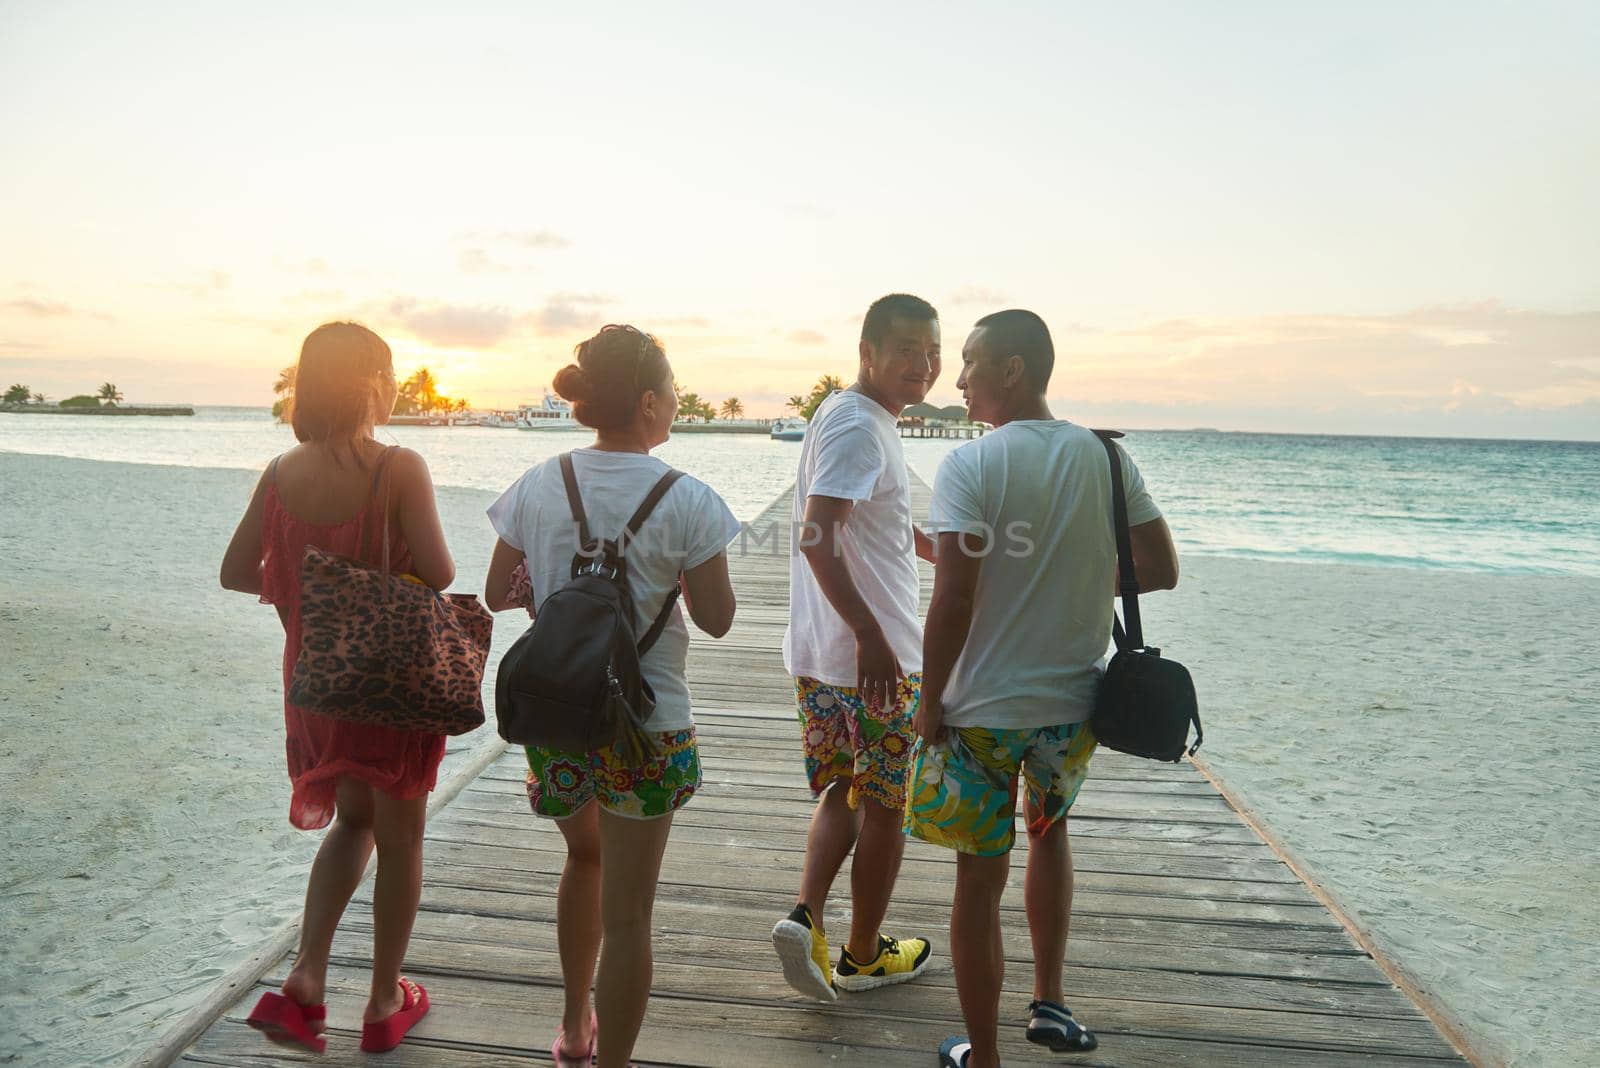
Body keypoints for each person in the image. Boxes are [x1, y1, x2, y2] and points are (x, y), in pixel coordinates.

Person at [907, 310, 1179, 1068]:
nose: (957, 380)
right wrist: (1070, 574)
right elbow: (1159, 569)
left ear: (1013, 369)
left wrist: (928, 701)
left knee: (977, 877)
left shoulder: (971, 466)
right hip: (1072, 710)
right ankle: (1051, 1004)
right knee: (1049, 835)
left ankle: (984, 1057)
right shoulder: (1105, 457)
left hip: (981, 712)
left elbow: (955, 599)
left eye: (968, 362)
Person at [483, 324, 739, 1068]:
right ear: (651, 402)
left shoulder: (538, 482)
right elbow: (720, 622)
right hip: (647, 726)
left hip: (559, 717)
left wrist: (564, 584)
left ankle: (572, 1030)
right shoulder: (690, 499)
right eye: (676, 393)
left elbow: (499, 591)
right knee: (629, 915)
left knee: (582, 864)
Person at [220, 322, 454, 1054]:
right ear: (375, 385)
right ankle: (385, 998)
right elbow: (441, 573)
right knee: (401, 835)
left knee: (352, 823)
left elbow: (234, 572)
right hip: (389, 680)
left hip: (313, 683)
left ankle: (307, 977)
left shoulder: (280, 473)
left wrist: (304, 587)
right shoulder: (399, 466)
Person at [771, 293, 940, 1001]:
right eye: (903, 349)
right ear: (865, 352)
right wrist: (872, 636)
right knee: (887, 804)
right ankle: (864, 955)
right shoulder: (862, 428)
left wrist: (944, 552)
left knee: (847, 786)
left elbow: (871, 521)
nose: (921, 365)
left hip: (821, 653)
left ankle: (806, 919)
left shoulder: (846, 415)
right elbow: (816, 534)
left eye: (931, 350)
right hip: (871, 660)